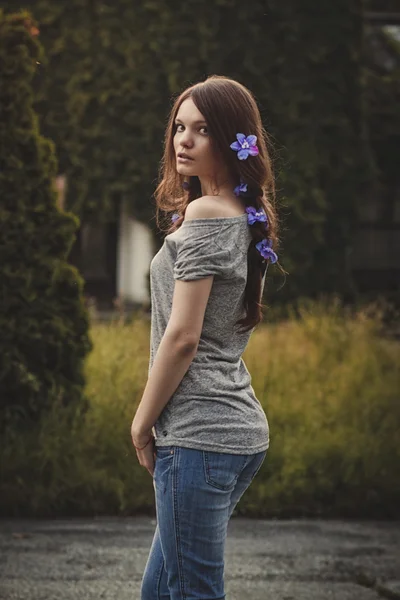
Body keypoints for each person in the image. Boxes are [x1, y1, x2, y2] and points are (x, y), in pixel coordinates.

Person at [131, 74, 283, 600]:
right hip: (232, 432)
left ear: (231, 139)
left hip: (198, 434)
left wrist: (142, 422)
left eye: (201, 130)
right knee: (160, 592)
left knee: (193, 592)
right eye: (179, 126)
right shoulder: (243, 214)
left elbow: (183, 339)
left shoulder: (206, 214)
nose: (183, 140)